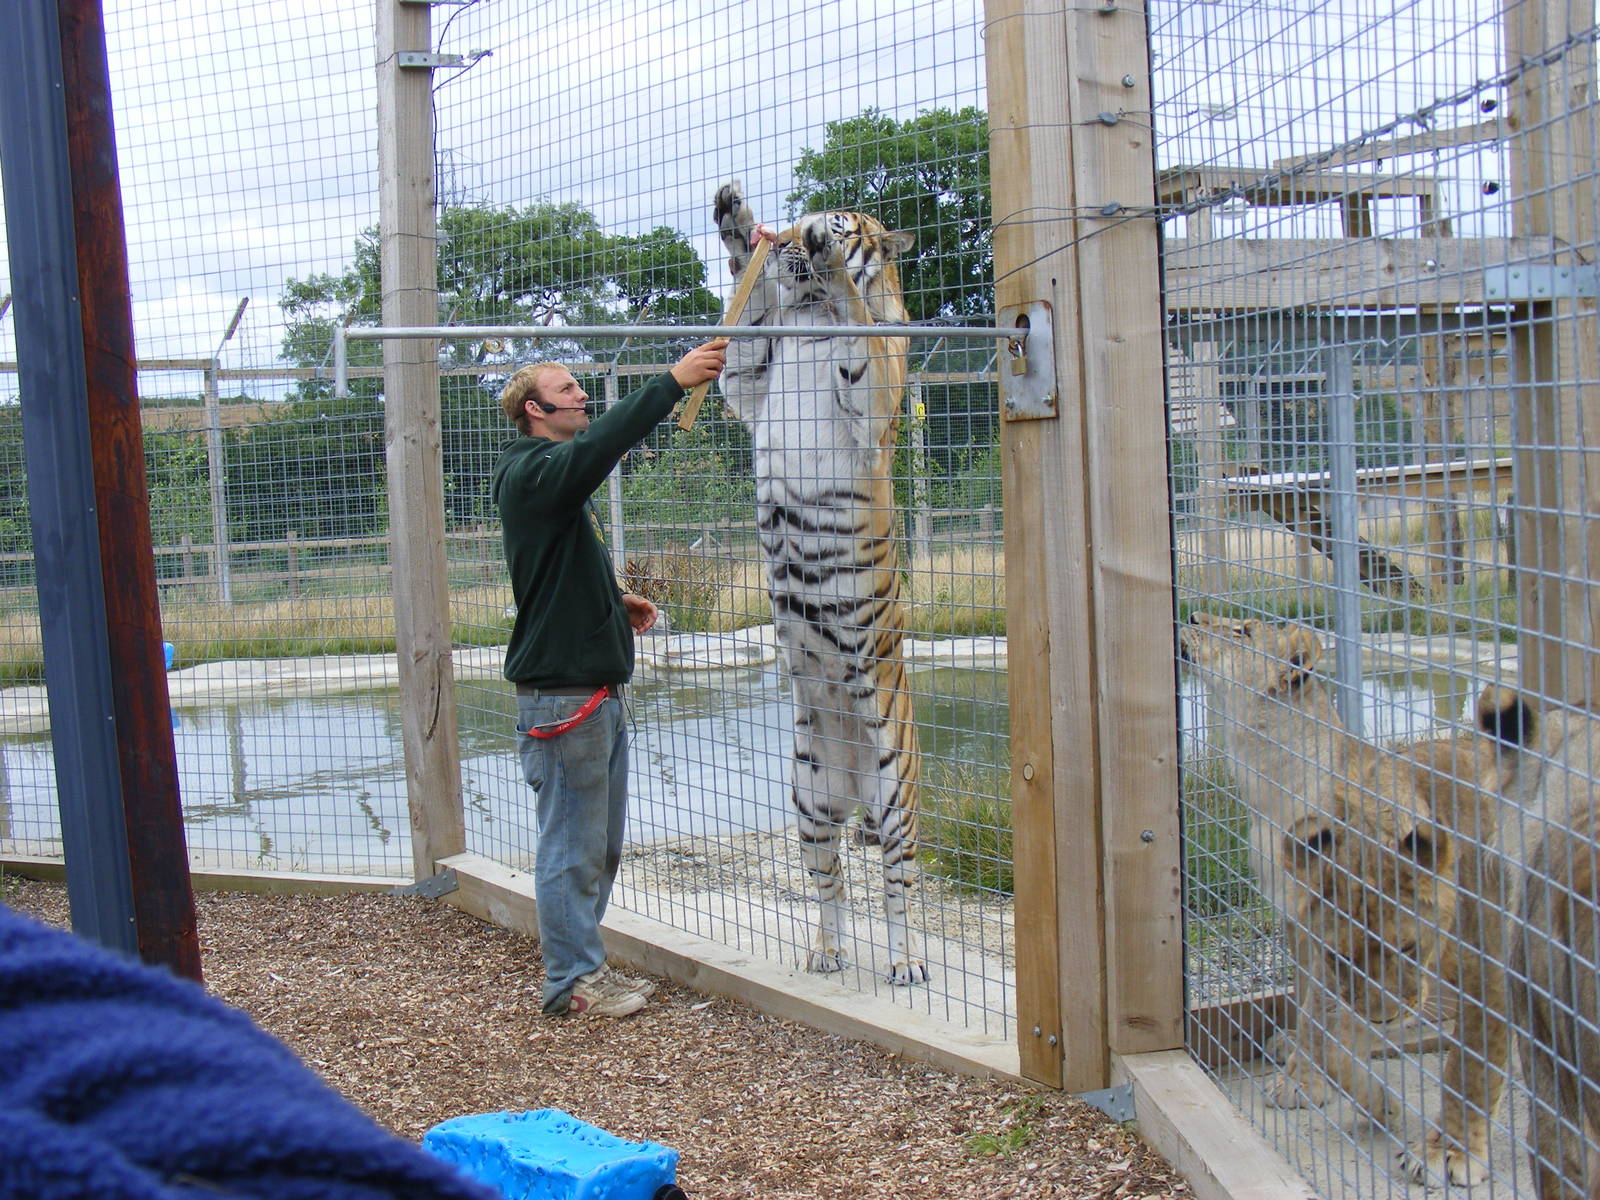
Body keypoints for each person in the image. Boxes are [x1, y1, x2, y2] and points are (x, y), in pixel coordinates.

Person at [493, 338, 728, 1019]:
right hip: (564, 699)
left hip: (588, 692)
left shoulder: (546, 476)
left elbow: (551, 570)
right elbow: (597, 453)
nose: (583, 397)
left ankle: (584, 969)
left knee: (597, 845)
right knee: (571, 845)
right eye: (568, 390)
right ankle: (571, 982)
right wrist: (671, 384)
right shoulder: (534, 472)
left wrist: (612, 603)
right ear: (535, 410)